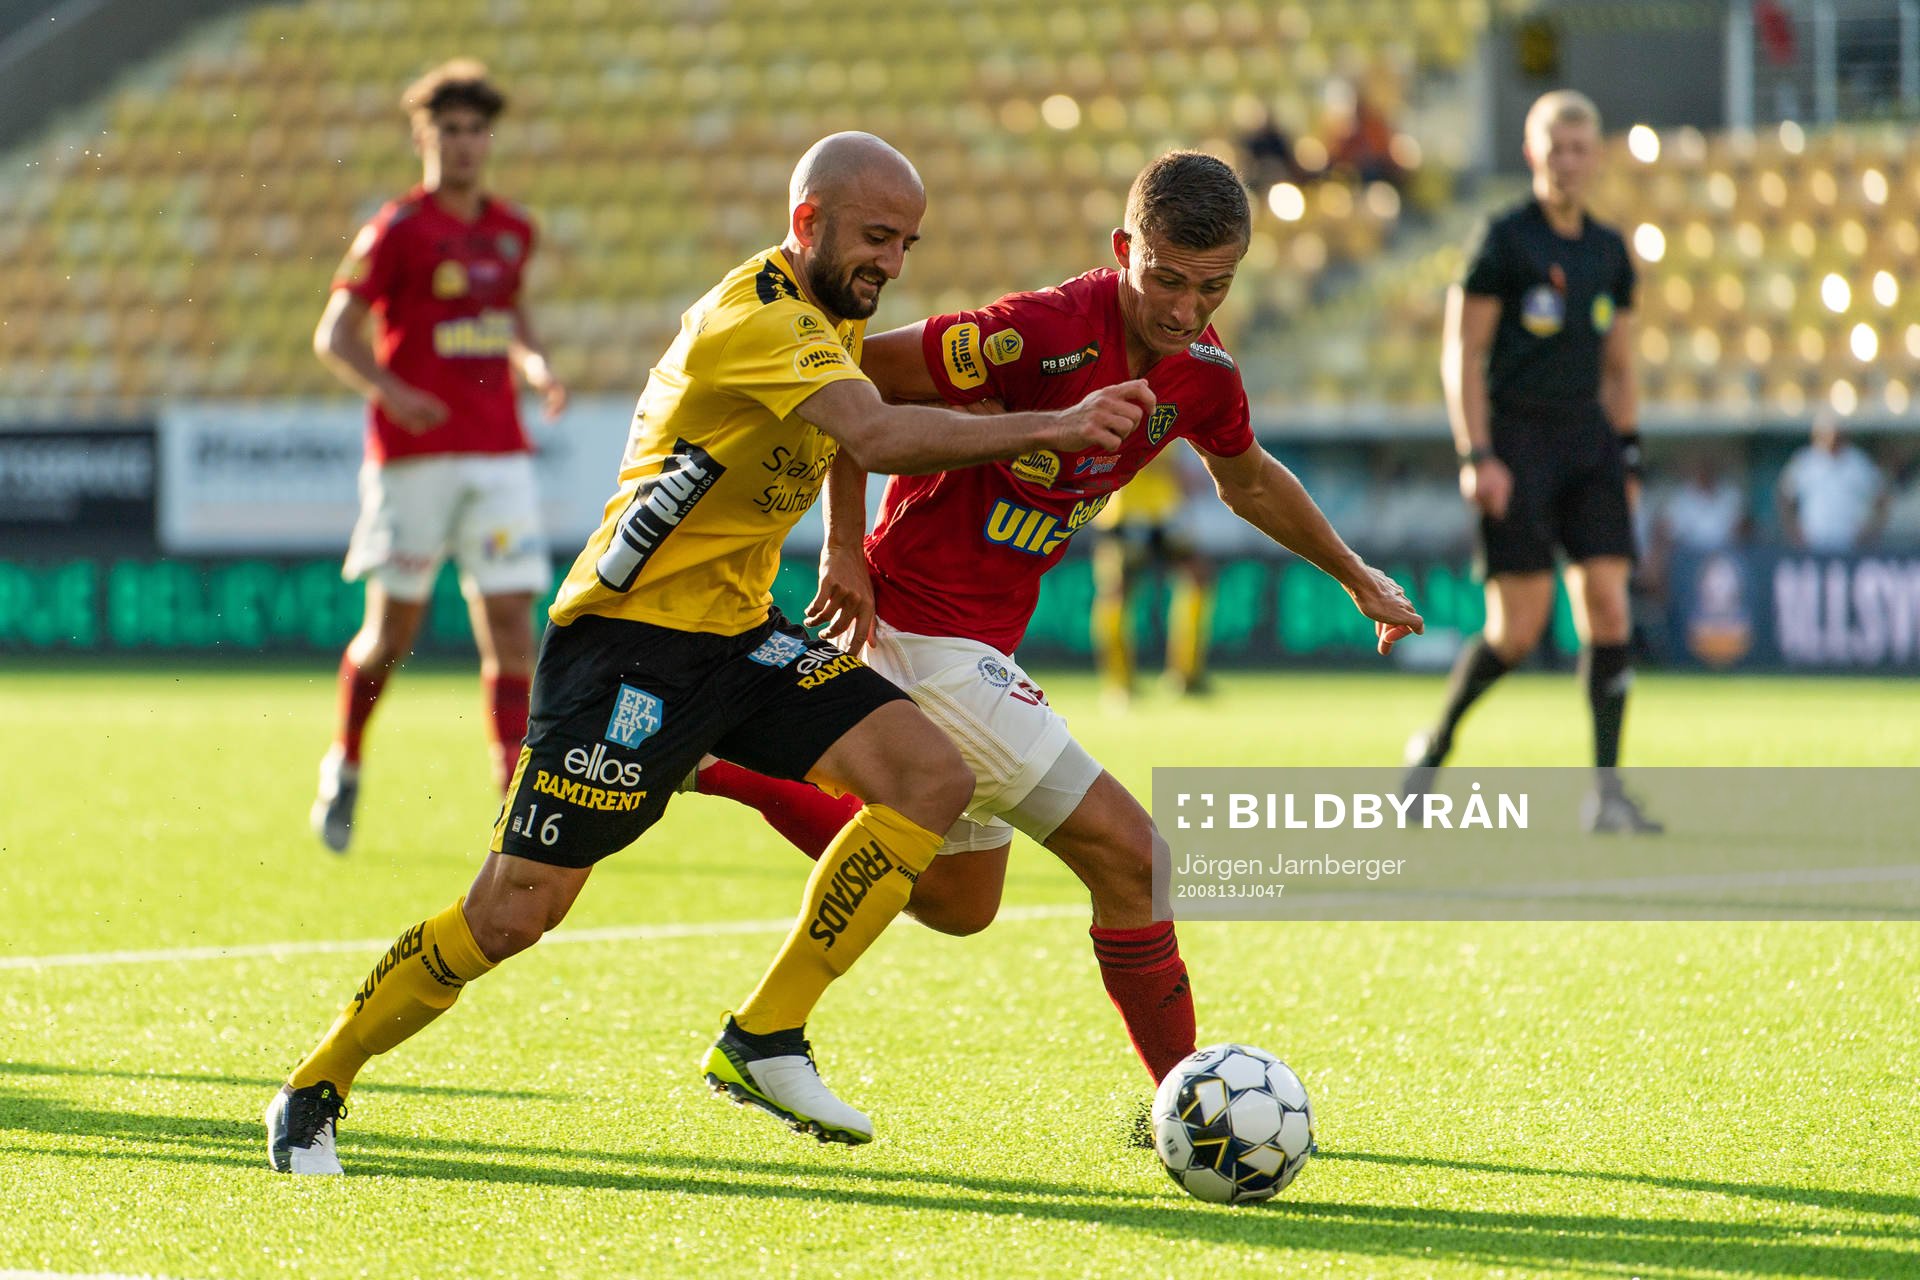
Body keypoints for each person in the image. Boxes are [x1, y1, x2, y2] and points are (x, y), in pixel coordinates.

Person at [266, 131, 1154, 1174]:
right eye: (876, 237)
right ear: (808, 220)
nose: (893, 265)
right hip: (626, 645)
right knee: (513, 911)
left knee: (927, 774)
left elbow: (841, 428)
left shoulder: (827, 317)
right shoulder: (758, 316)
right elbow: (871, 429)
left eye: (908, 243)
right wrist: (1055, 424)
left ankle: (765, 1035)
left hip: (739, 629)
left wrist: (837, 542)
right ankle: (315, 1084)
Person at [687, 152, 1421, 1125]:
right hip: (916, 624)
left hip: (979, 642)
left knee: (959, 901)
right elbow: (854, 373)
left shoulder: (1201, 378)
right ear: (1125, 250)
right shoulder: (1038, 333)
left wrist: (1355, 574)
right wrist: (845, 546)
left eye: (1213, 287)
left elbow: (1247, 480)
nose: (1184, 308)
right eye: (1164, 277)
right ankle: (1194, 1102)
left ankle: (719, 762)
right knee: (1135, 858)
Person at [309, 61, 569, 854]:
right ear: (425, 138)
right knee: (392, 634)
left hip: (499, 457)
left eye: (475, 130)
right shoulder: (396, 230)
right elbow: (334, 336)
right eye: (449, 130)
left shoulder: (513, 230)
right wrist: (392, 391)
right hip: (414, 460)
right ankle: (346, 762)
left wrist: (534, 366)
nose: (464, 144)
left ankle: (512, 797)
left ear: (489, 139)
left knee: (513, 632)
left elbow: (510, 319)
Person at [1403, 90, 1658, 833]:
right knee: (1517, 629)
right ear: (1532, 154)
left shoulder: (1609, 251)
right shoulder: (1504, 240)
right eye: (1557, 149)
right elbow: (1464, 351)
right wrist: (1476, 452)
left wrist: (1630, 455)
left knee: (1609, 606)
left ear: (1597, 156)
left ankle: (1606, 793)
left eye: (1581, 149)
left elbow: (1620, 368)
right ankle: (1436, 743)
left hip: (1590, 445)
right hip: (1516, 444)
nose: (1569, 162)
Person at [1090, 443, 1219, 701]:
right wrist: (1175, 471)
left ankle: (1186, 675)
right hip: (1124, 510)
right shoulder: (1121, 404)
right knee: (1117, 592)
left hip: (1164, 511)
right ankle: (1119, 684)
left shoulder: (1169, 405)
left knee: (1198, 577)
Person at [1777, 412, 1888, 552]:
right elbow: (1785, 497)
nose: (1831, 438)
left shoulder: (1857, 462)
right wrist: (1793, 532)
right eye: (1825, 433)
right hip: (1813, 541)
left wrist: (1869, 532)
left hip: (1849, 542)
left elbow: (1882, 498)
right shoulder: (1805, 461)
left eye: (1835, 434)